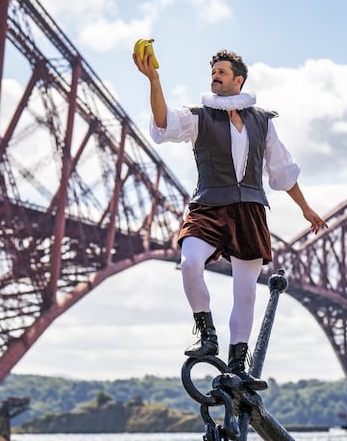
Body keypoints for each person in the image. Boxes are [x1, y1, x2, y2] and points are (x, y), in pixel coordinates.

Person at [133, 47, 328, 389]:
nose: (215, 76)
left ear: (238, 80)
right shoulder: (199, 116)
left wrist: (305, 208)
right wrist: (154, 80)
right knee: (190, 262)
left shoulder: (262, 121)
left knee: (246, 293)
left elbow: (282, 169)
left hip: (250, 209)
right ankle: (207, 335)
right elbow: (163, 123)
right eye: (213, 72)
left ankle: (239, 364)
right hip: (209, 205)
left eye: (222, 72)